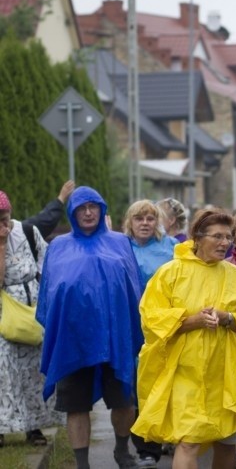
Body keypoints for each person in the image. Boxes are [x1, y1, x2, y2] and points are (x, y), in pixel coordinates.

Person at [131, 208, 236, 469]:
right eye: (218, 237)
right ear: (198, 238)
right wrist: (191, 322)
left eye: (227, 237)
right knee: (188, 442)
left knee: (226, 442)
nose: (225, 243)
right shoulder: (170, 273)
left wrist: (230, 319)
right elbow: (151, 318)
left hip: (228, 374)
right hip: (185, 374)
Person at [36, 186, 144, 469]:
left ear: (102, 210)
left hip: (114, 335)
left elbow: (133, 288)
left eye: (93, 206)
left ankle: (122, 451)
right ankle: (82, 464)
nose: (87, 212)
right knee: (76, 404)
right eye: (81, 207)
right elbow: (49, 291)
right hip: (73, 338)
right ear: (72, 212)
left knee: (124, 400)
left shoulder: (120, 243)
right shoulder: (58, 246)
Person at [0, 190, 60, 449]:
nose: (3, 224)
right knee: (5, 371)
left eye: (5, 217)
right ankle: (2, 428)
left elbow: (46, 265)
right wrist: (1, 246)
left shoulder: (27, 231)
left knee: (34, 370)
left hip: (33, 306)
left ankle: (34, 427)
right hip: (5, 309)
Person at [122, 199, 179, 468]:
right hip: (132, 326)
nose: (145, 223)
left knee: (169, 384)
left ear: (158, 222)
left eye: (150, 218)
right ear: (129, 222)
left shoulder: (171, 248)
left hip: (166, 326)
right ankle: (146, 448)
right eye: (139, 218)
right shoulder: (121, 247)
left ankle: (177, 437)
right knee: (139, 388)